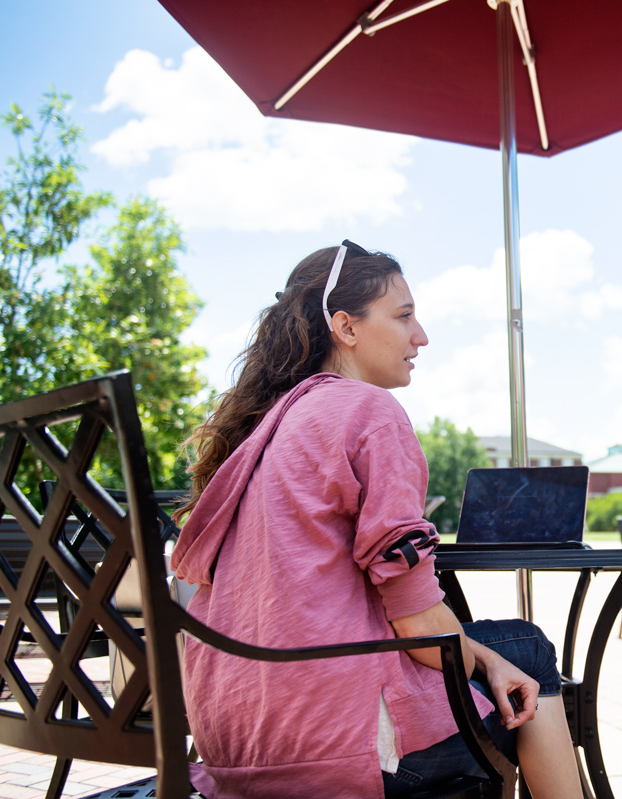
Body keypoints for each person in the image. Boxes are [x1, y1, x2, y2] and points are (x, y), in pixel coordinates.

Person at [170, 241, 583, 799]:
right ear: (345, 326)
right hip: (338, 746)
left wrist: (482, 659)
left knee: (497, 657)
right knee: (526, 651)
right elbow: (417, 631)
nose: (422, 336)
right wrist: (488, 661)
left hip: (234, 741)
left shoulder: (263, 430)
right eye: (404, 315)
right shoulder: (367, 411)